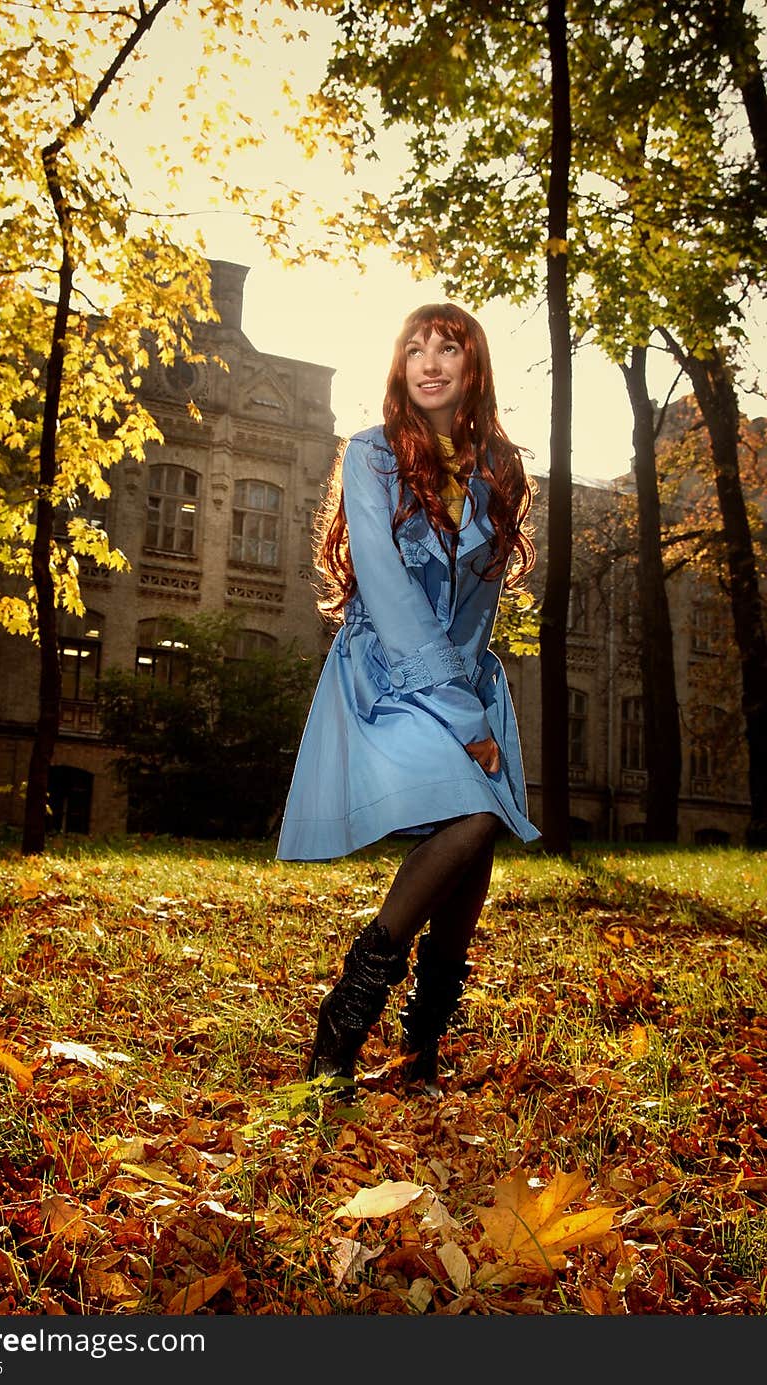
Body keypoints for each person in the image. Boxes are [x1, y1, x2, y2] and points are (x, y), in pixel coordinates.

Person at [276, 302, 540, 1093]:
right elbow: (390, 594)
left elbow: (479, 604)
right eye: (414, 347)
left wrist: (474, 701)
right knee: (477, 815)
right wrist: (465, 721)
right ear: (399, 364)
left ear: (473, 367)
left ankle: (421, 1049)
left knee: (479, 837)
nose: (428, 361)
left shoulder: (501, 463)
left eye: (447, 349)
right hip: (383, 673)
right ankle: (345, 1017)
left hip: (461, 671)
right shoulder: (368, 454)